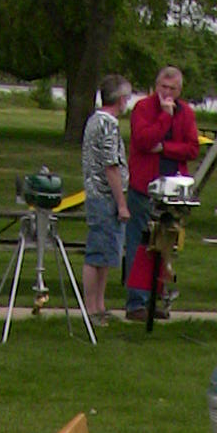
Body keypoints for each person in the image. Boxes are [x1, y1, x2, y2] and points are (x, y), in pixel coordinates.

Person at [124, 65, 199, 321]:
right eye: (163, 87)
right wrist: (165, 117)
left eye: (173, 89)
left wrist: (165, 148)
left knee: (164, 245)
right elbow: (144, 141)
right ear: (156, 87)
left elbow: (192, 148)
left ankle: (156, 299)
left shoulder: (186, 113)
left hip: (172, 189)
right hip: (145, 187)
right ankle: (136, 302)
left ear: (180, 90)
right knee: (141, 243)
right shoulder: (143, 108)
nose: (167, 93)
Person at [81, 73, 131, 325]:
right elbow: (111, 166)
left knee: (105, 256)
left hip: (96, 194)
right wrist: (121, 203)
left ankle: (100, 305)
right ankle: (91, 308)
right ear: (120, 99)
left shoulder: (94, 120)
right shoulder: (108, 125)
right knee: (97, 254)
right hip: (104, 197)